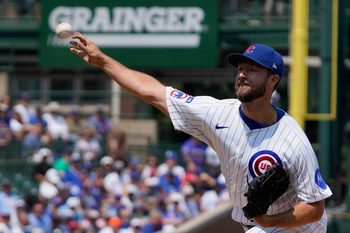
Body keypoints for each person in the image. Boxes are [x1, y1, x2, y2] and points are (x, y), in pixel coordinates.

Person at [69, 33, 332, 232]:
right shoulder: (217, 114)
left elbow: (315, 208)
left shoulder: (293, 141)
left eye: (252, 70)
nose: (242, 74)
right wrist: (102, 60)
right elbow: (152, 92)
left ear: (272, 80)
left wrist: (269, 220)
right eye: (240, 68)